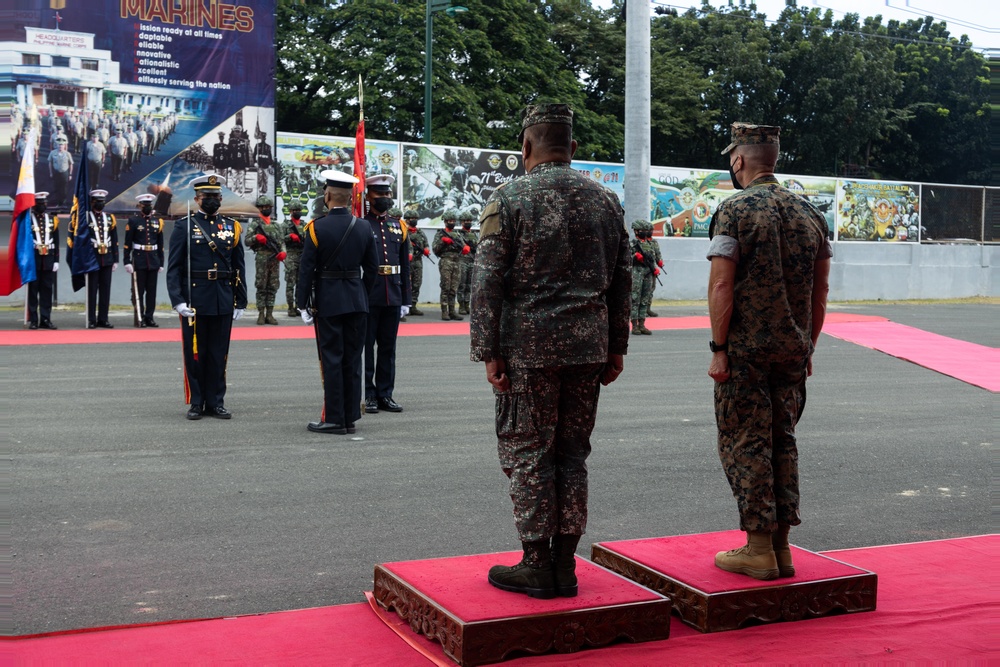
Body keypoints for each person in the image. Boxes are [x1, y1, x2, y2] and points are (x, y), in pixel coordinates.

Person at [470, 103, 632, 599]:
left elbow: (487, 281)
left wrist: (488, 350)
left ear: (526, 147)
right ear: (573, 149)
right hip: (587, 349)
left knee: (529, 451)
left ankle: (538, 563)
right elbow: (623, 279)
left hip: (529, 350)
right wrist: (617, 346)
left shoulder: (508, 198)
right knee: (572, 454)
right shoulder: (606, 201)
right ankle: (565, 564)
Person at [707, 122, 832, 580]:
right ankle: (781, 548)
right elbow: (820, 293)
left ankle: (758, 548)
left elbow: (722, 283)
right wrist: (808, 346)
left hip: (746, 351)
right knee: (783, 439)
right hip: (793, 351)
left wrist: (719, 348)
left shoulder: (733, 210)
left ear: (739, 160)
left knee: (746, 441)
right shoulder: (810, 213)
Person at [298, 170, 378, 434]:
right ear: (350, 197)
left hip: (328, 301)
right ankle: (350, 417)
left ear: (328, 195)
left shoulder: (316, 228)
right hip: (357, 301)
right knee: (353, 360)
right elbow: (373, 269)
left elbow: (306, 269)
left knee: (332, 359)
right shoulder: (364, 226)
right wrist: (361, 294)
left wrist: (302, 304)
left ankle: (334, 419)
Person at [166, 174, 247, 420]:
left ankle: (216, 402)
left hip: (222, 297)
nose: (211, 201)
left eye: (215, 197)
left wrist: (240, 299)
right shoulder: (184, 226)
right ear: (197, 199)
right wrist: (178, 300)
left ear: (221, 198)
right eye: (206, 197)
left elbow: (238, 266)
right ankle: (196, 401)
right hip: (195, 299)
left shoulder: (231, 226)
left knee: (218, 353)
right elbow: (174, 268)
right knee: (195, 353)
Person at [362, 174, 411, 414]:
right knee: (367, 347)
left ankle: (385, 394)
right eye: (379, 194)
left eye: (387, 194)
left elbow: (405, 264)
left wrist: (406, 299)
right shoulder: (361, 224)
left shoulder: (398, 225)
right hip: (369, 294)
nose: (384, 198)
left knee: (388, 348)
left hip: (393, 292)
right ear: (368, 196)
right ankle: (369, 394)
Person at [123, 193, 165, 328]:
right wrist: (126, 261)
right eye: (144, 205)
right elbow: (127, 243)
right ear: (139, 206)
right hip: (139, 259)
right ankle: (139, 317)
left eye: (149, 205)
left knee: (151, 292)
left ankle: (150, 317)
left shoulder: (157, 221)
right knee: (138, 291)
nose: (147, 207)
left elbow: (160, 244)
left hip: (153, 259)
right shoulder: (134, 221)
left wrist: (161, 262)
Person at [245, 195, 286, 325]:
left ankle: (270, 314)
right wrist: (256, 237)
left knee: (273, 286)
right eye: (264, 207)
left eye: (269, 207)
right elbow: (247, 241)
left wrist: (283, 252)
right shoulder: (255, 224)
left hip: (274, 258)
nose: (267, 209)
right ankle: (261, 314)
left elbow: (281, 242)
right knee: (261, 285)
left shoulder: (276, 225)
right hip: (262, 257)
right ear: (260, 208)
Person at [82, 189, 118, 329]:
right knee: (91, 290)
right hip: (92, 257)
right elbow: (82, 241)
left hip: (107, 257)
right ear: (92, 202)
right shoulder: (86, 217)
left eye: (102, 202)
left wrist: (115, 259)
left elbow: (114, 239)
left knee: (105, 290)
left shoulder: (109, 218)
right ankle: (91, 319)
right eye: (98, 202)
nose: (100, 204)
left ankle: (103, 318)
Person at [26, 192, 59, 330]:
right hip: (34, 260)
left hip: (48, 260)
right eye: (39, 204)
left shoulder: (53, 220)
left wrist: (56, 260)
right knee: (33, 292)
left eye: (44, 203)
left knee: (46, 291)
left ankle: (45, 319)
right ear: (34, 205)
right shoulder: (28, 220)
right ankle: (33, 320)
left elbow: (56, 242)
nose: (42, 206)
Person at [432, 208, 466, 321]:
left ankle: (452, 311)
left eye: (453, 220)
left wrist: (465, 249)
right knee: (445, 287)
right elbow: (435, 250)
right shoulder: (440, 234)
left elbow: (463, 247)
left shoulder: (457, 235)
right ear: (445, 221)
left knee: (454, 288)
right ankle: (444, 312)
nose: (451, 222)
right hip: (446, 261)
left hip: (457, 261)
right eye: (449, 221)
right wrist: (443, 241)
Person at [630, 220, 661, 335]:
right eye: (641, 231)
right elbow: (626, 258)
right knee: (635, 298)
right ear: (636, 231)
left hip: (648, 273)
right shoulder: (633, 243)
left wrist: (655, 269)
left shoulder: (649, 244)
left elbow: (653, 258)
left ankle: (642, 324)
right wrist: (635, 256)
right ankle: (634, 325)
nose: (644, 232)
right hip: (637, 272)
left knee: (645, 298)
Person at [282, 197, 307, 317]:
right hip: (291, 256)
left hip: (302, 255)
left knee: (300, 283)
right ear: (290, 211)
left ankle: (298, 306)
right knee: (290, 284)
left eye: (299, 209)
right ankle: (290, 307)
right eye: (295, 210)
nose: (297, 211)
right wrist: (289, 236)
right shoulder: (285, 225)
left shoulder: (305, 225)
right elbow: (280, 239)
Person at [404, 210, 429, 316]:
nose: (414, 220)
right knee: (406, 284)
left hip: (418, 262)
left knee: (417, 284)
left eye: (415, 219)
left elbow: (426, 244)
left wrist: (427, 249)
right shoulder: (404, 231)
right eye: (412, 218)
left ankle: (413, 306)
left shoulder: (420, 233)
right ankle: (406, 306)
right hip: (406, 262)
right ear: (407, 219)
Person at [456, 209, 478, 315]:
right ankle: (461, 306)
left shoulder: (474, 234)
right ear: (461, 222)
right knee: (462, 284)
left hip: (472, 261)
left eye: (469, 220)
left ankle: (467, 304)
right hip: (462, 261)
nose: (468, 222)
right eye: (465, 221)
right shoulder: (458, 235)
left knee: (469, 285)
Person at [47, 137, 73, 208]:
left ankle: (63, 202)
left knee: (64, 188)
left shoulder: (67, 154)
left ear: (64, 146)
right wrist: (51, 172)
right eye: (59, 145)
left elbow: (71, 164)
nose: (60, 146)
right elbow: (50, 163)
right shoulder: (52, 153)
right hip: (56, 172)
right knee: (56, 188)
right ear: (56, 145)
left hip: (64, 173)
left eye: (62, 145)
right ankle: (57, 203)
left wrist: (70, 174)